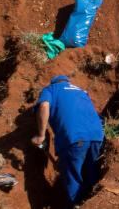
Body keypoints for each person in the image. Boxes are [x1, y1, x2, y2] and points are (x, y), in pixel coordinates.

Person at [31, 75, 104, 207]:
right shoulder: (81, 91)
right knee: (90, 172)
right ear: (67, 82)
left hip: (74, 137)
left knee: (73, 178)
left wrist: (41, 135)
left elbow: (44, 105)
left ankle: (75, 204)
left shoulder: (51, 89)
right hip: (96, 136)